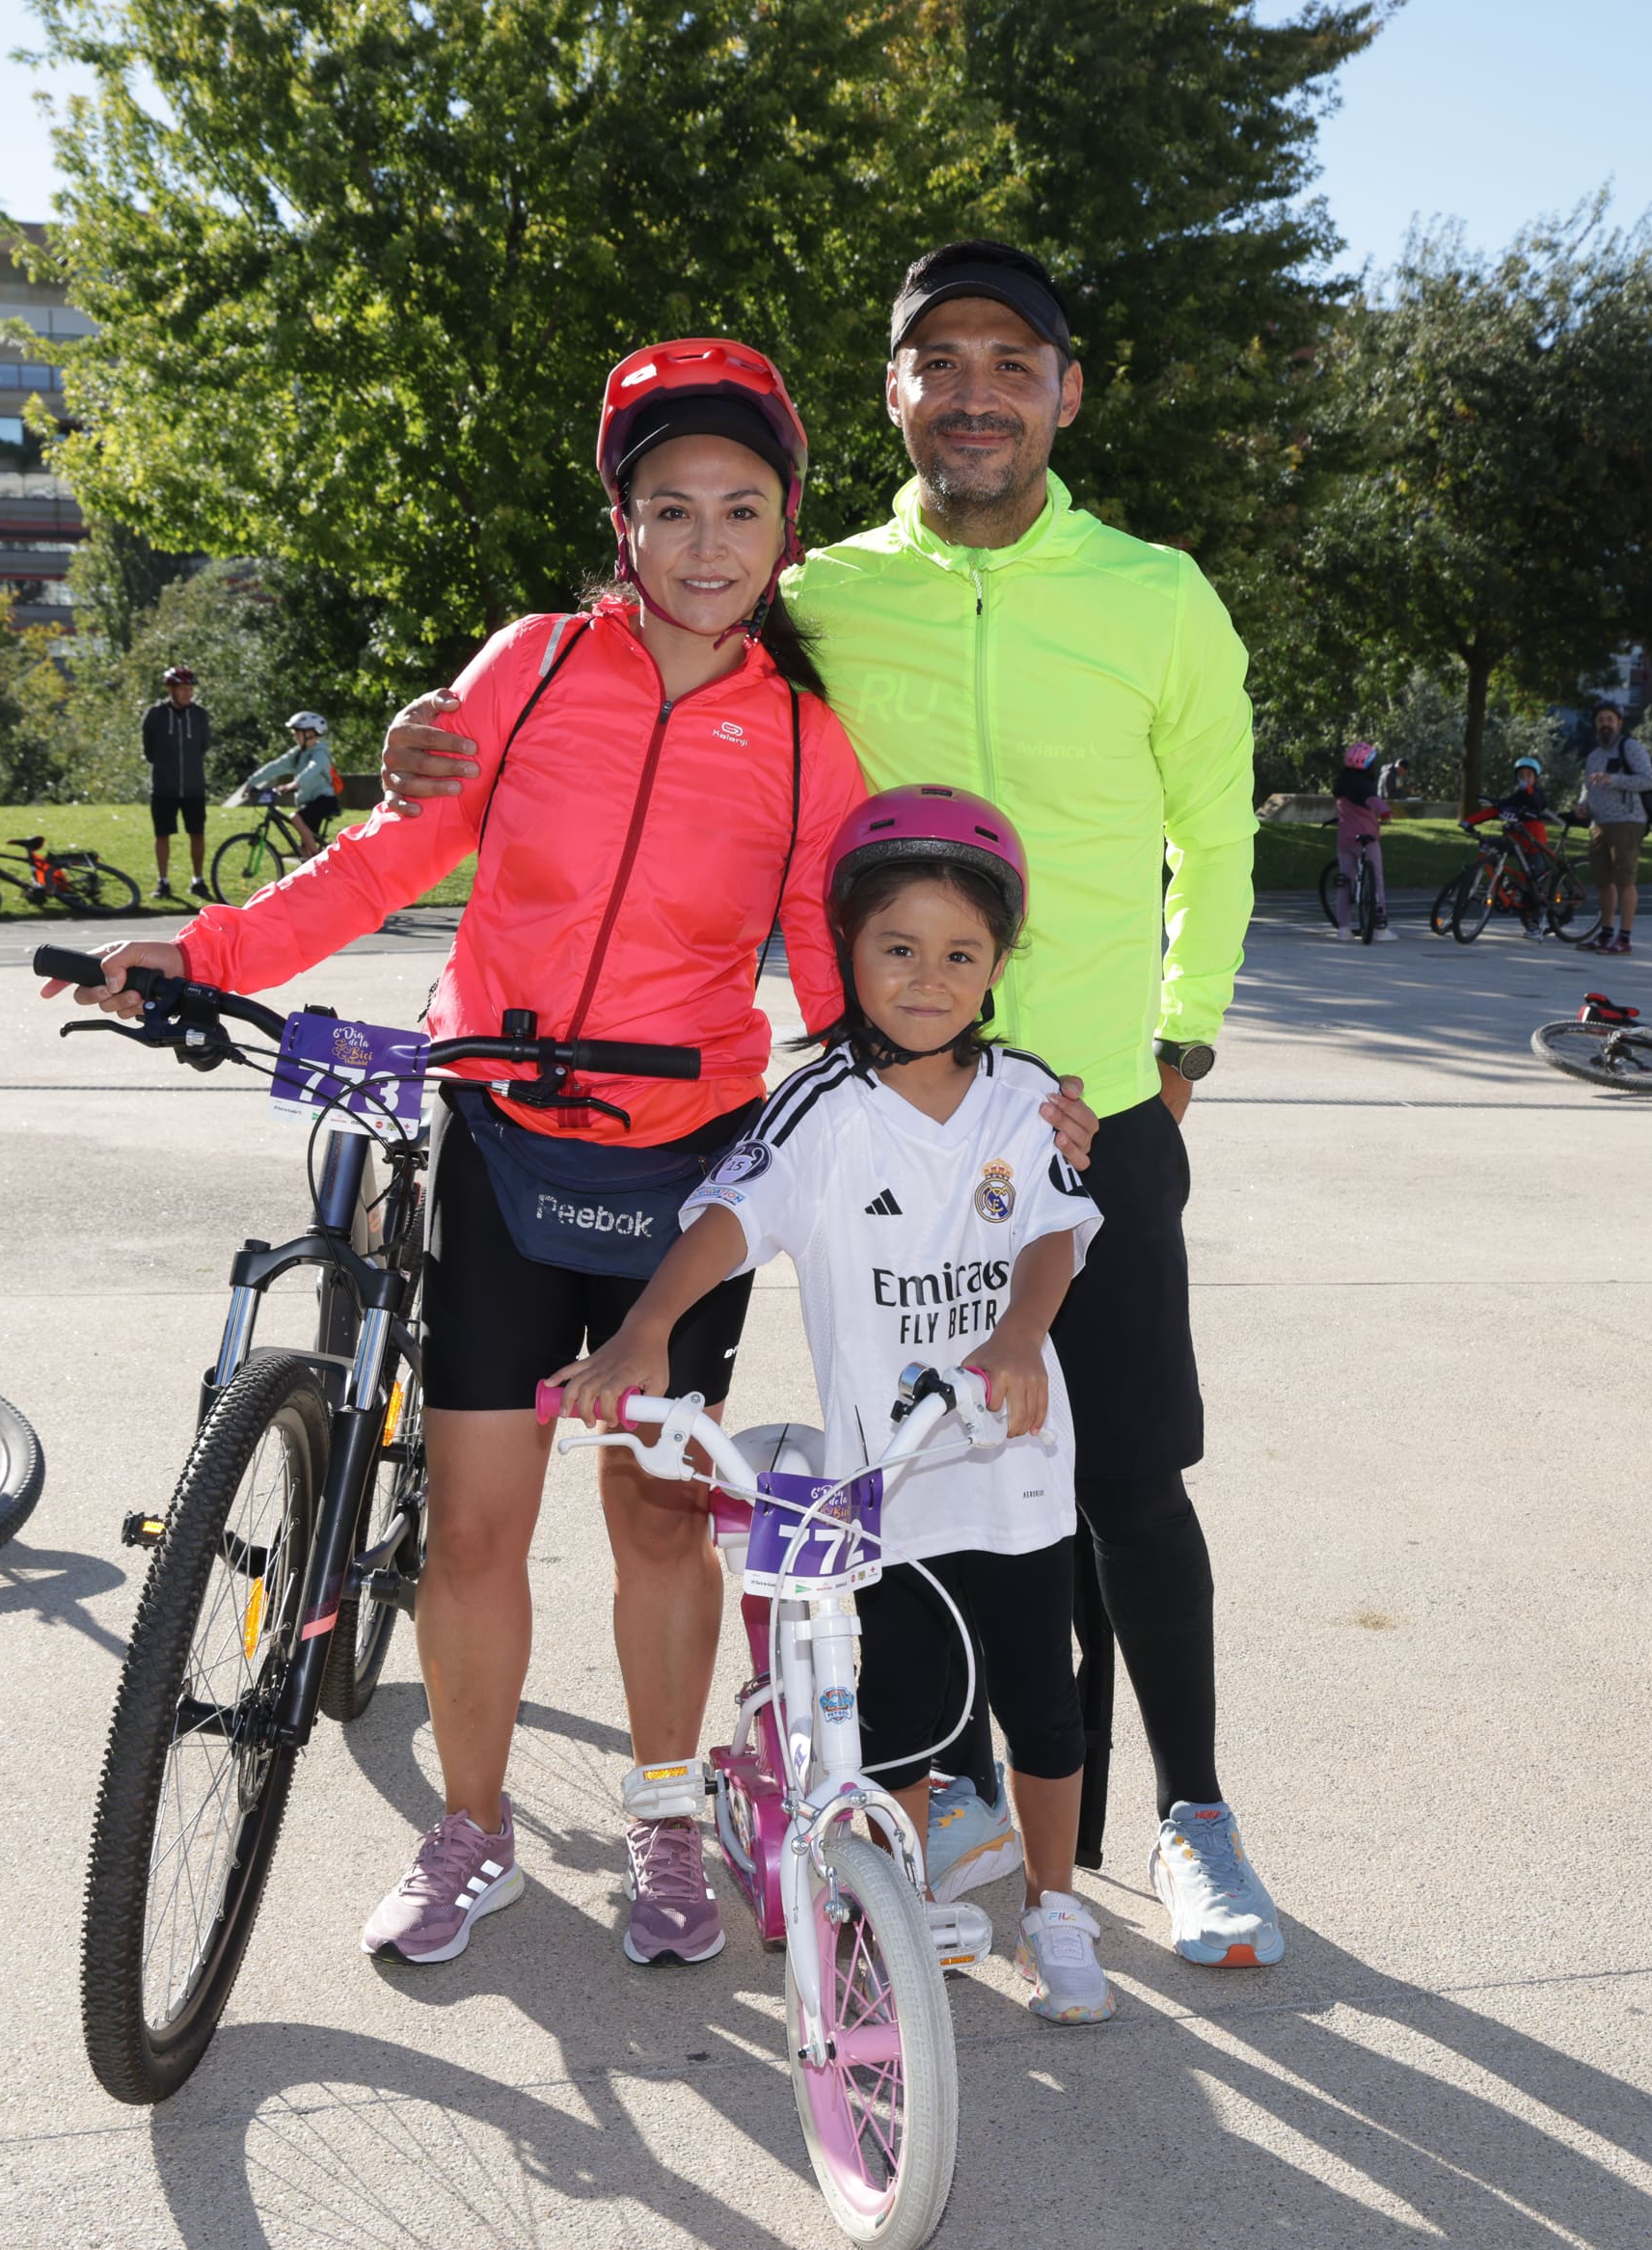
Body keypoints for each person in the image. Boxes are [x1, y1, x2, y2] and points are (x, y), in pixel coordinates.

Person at [47, 338, 1088, 1970]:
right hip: (505, 1143)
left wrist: (1012, 1096)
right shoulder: (528, 668)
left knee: (661, 1520)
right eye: (670, 507)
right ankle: (475, 1829)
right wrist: (212, 952)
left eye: (742, 510)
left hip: (687, 1170)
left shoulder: (811, 743)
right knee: (472, 1524)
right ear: (623, 523)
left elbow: (866, 987)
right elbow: (390, 853)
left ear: (785, 531)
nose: (706, 543)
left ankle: (668, 1817)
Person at [382, 239, 1283, 1969]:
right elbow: (636, 664)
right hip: (895, 1114)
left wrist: (1179, 1039)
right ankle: (958, 1803)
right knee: (922, 1467)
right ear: (895, 395)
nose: (974, 391)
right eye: (937, 361)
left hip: (1091, 1106)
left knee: (1129, 1481)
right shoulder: (825, 591)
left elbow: (1219, 833)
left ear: (1065, 390)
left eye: (1011, 361)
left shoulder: (1160, 590)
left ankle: (1192, 1816)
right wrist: (436, 732)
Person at [555, 787, 1117, 2021]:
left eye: (959, 953)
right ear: (846, 952)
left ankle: (1059, 1907)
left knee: (1046, 1706)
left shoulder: (1025, 1093)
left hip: (1018, 1470)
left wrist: (1019, 1334)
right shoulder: (820, 1108)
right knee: (905, 1719)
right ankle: (901, 1915)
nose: (927, 976)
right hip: (890, 1488)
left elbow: (1054, 1236)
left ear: (997, 967)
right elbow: (726, 1219)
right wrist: (646, 1329)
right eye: (897, 947)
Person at [1574, 702, 1652, 956]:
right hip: (1599, 824)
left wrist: (1614, 780)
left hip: (1627, 821)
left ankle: (1624, 938)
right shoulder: (1594, 755)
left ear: (1619, 723)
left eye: (1610, 719)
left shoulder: (1630, 747)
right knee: (1603, 882)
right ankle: (1605, 933)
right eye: (1601, 720)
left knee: (1624, 881)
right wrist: (1583, 804)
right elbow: (1587, 785)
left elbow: (1647, 780)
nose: (1605, 724)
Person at [141, 664, 215, 901]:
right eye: (183, 689)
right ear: (171, 690)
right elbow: (149, 750)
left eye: (190, 689)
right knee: (162, 835)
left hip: (194, 787)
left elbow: (203, 747)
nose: (188, 693)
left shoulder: (200, 715)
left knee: (197, 834)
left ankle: (198, 880)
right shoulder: (156, 715)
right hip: (164, 787)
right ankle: (163, 882)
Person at [235, 711, 343, 855]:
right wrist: (252, 781)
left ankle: (318, 855)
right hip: (309, 803)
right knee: (304, 852)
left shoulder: (320, 753)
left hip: (324, 801)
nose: (295, 737)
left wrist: (294, 784)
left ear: (310, 733)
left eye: (297, 733)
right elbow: (276, 766)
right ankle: (314, 859)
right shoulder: (299, 753)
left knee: (294, 817)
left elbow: (313, 769)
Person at [1332, 738, 1395, 938]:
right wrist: (1386, 815)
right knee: (1376, 878)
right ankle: (1379, 927)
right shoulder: (1366, 788)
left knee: (1345, 880)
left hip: (1344, 839)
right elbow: (1379, 806)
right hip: (1367, 839)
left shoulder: (1340, 786)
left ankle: (1343, 927)